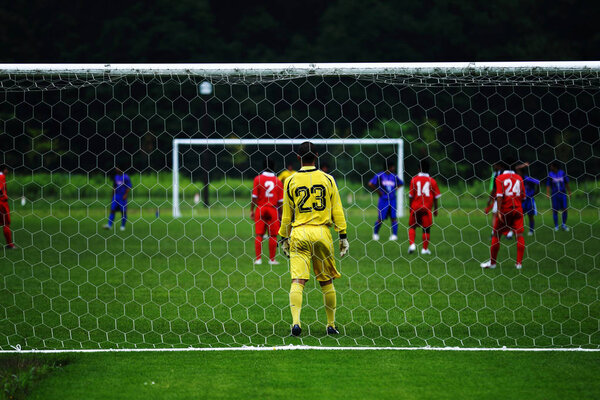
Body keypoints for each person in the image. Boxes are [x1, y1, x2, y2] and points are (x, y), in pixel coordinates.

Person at [279, 141, 349, 337]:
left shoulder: (290, 181)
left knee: (298, 280)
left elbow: (286, 215)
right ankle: (331, 325)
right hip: (321, 233)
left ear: (299, 158)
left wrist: (283, 237)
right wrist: (342, 235)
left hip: (299, 232)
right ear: (316, 156)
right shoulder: (328, 179)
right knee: (326, 282)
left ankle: (295, 323)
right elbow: (337, 209)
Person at [481, 160, 526, 270]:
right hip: (518, 209)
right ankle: (519, 264)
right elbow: (523, 197)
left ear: (502, 167)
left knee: (496, 234)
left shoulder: (500, 178)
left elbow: (499, 195)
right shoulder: (519, 178)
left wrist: (500, 211)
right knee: (519, 235)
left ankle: (492, 263)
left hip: (505, 210)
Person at [250, 158, 283, 265]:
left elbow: (254, 197)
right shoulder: (277, 181)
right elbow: (280, 201)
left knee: (259, 235)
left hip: (260, 208)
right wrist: (281, 213)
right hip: (273, 209)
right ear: (274, 167)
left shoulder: (258, 179)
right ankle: (272, 260)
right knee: (273, 235)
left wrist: (252, 209)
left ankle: (258, 259)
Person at [407, 159, 441, 255]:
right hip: (426, 208)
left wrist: (410, 207)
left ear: (419, 169)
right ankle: (424, 249)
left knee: (412, 226)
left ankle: (412, 244)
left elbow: (411, 196)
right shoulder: (432, 181)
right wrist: (436, 209)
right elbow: (436, 197)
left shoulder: (414, 180)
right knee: (426, 228)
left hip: (415, 206)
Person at [368, 159, 404, 241]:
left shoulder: (394, 176)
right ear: (389, 167)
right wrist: (378, 191)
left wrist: (395, 189)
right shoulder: (380, 175)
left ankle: (394, 235)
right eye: (392, 166)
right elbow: (370, 184)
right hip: (383, 200)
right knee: (380, 218)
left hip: (392, 199)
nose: (394, 168)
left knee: (393, 217)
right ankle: (375, 234)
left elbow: (401, 183)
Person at [484, 162, 513, 239]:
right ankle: (508, 233)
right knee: (506, 215)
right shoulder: (510, 174)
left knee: (495, 214)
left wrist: (490, 199)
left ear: (499, 165)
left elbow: (494, 188)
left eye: (495, 165)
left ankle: (495, 233)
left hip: (499, 198)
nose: (493, 166)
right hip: (508, 198)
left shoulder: (497, 175)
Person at [103, 167, 132, 231]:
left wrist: (125, 195)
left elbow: (129, 186)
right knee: (112, 210)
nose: (116, 169)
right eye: (116, 168)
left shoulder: (126, 177)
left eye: (118, 168)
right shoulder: (116, 176)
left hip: (122, 197)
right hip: (116, 196)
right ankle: (109, 225)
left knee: (123, 212)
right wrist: (112, 196)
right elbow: (114, 187)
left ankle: (122, 226)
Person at [515, 163, 540, 236]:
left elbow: (538, 182)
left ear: (522, 172)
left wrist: (536, 192)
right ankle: (518, 230)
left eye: (518, 172)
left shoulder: (527, 179)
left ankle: (531, 231)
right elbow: (515, 168)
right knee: (519, 216)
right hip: (521, 200)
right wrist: (523, 165)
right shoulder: (517, 180)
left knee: (530, 216)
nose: (517, 173)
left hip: (529, 200)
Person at [546, 162, 571, 231]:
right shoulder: (550, 174)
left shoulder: (562, 173)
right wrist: (547, 193)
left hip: (563, 194)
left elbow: (566, 182)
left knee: (565, 209)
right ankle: (556, 226)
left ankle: (564, 225)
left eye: (551, 166)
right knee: (555, 210)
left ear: (555, 166)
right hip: (554, 194)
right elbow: (548, 184)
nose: (550, 167)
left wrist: (569, 192)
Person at [0, 166, 15, 249]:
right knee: (6, 223)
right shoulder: (1, 176)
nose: (8, 171)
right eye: (7, 169)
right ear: (4, 169)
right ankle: (10, 245)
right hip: (2, 203)